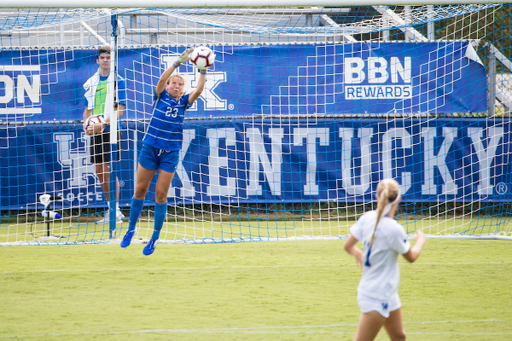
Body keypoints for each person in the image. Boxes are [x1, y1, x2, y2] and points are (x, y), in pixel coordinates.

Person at [120, 48, 206, 256]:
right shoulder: (159, 97)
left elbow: (199, 91)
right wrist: (178, 62)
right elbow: (161, 80)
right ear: (168, 86)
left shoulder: (184, 103)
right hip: (150, 148)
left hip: (170, 153)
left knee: (160, 194)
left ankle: (154, 238)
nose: (176, 86)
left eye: (180, 84)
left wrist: (202, 69)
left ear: (183, 89)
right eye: (173, 83)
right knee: (139, 191)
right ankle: (131, 229)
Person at [343, 178, 426, 341]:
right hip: (376, 294)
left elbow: (348, 246)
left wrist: (359, 254)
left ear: (376, 196)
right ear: (399, 199)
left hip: (387, 291)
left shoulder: (367, 217)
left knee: (399, 336)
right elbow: (411, 257)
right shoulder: (394, 229)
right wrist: (420, 241)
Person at [83, 45, 126, 226]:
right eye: (102, 57)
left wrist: (104, 124)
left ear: (112, 60)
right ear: (97, 60)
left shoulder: (118, 80)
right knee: (99, 171)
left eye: (109, 57)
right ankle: (111, 209)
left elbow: (120, 110)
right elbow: (88, 109)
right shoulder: (91, 82)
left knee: (109, 170)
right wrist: (86, 124)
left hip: (111, 130)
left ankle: (116, 211)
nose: (105, 60)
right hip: (96, 131)